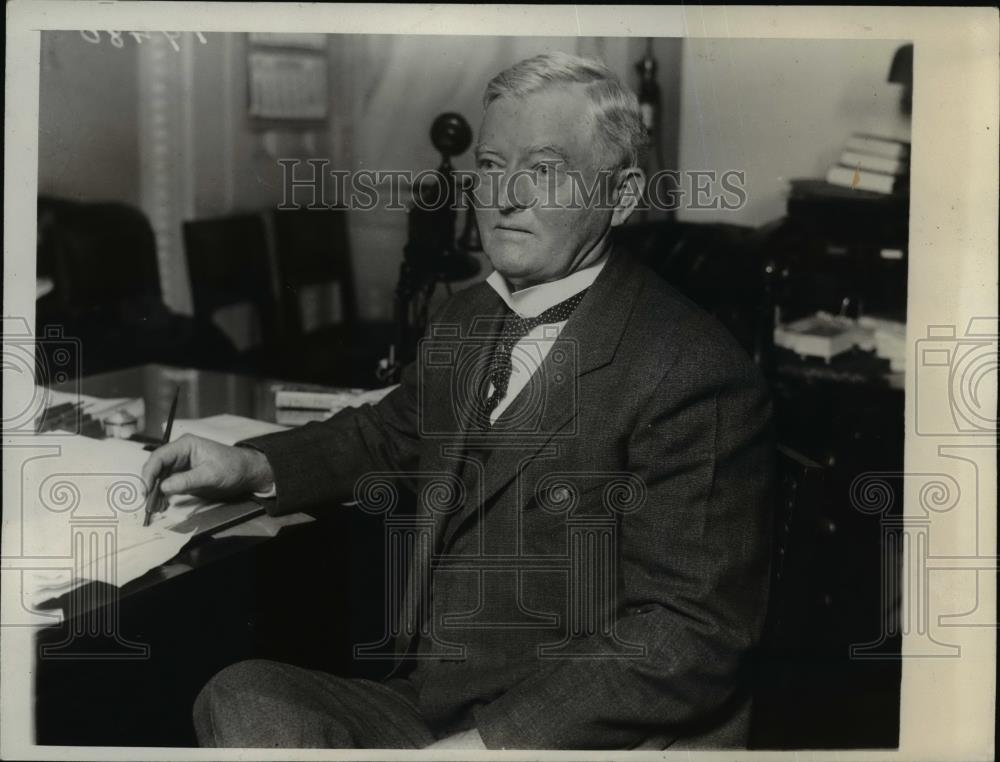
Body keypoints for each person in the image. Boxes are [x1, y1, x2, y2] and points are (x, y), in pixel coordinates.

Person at [141, 51, 774, 750]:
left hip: (576, 733)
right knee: (241, 695)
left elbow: (690, 632)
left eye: (543, 169)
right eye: (493, 165)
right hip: (432, 704)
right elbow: (389, 434)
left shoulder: (690, 367)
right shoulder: (468, 317)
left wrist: (486, 745)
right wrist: (251, 467)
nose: (505, 196)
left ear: (621, 196)